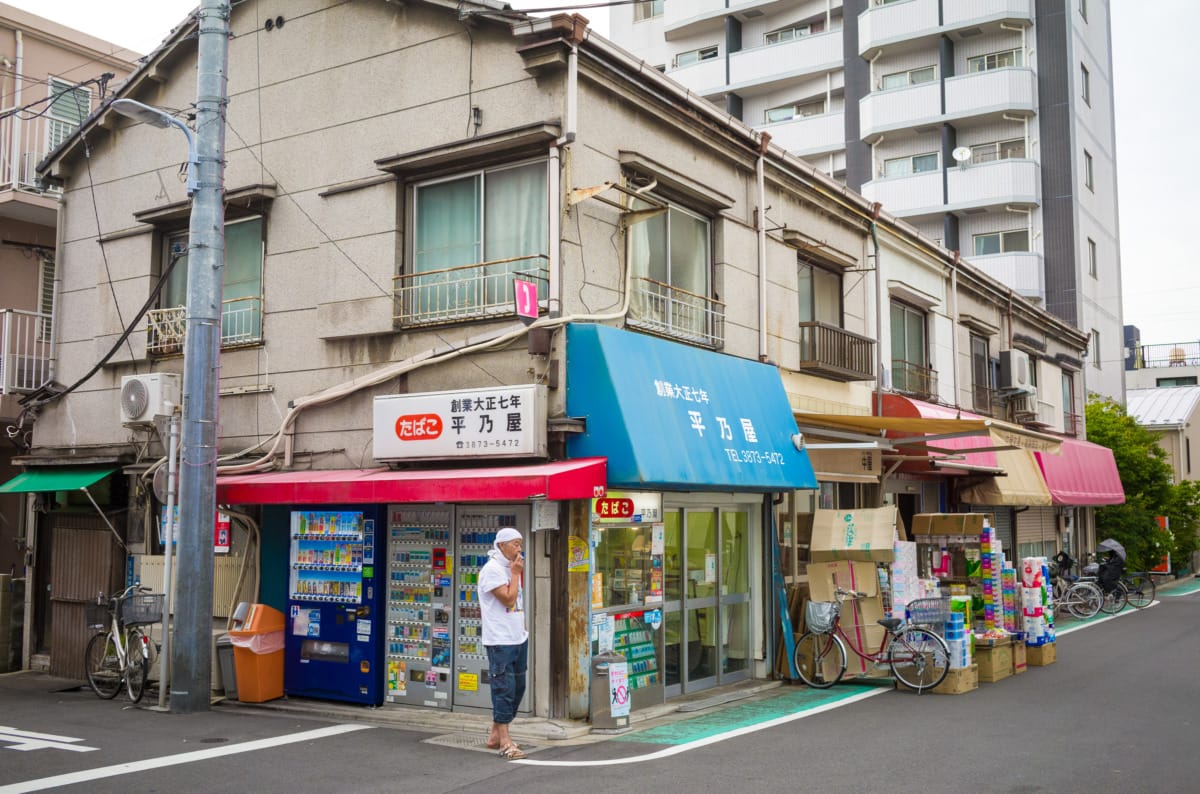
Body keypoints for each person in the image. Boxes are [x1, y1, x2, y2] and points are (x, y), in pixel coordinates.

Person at [478, 527, 528, 760]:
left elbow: (518, 602)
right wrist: (516, 574)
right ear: (501, 545)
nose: (519, 548)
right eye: (515, 544)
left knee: (518, 687)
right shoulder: (493, 570)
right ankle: (505, 741)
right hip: (500, 640)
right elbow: (508, 600)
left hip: (517, 636)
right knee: (503, 688)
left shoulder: (510, 568)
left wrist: (523, 628)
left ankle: (495, 735)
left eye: (520, 544)